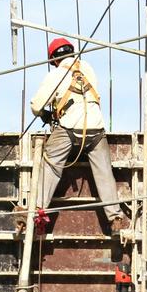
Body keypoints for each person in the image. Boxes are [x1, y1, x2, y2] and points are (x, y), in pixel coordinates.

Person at [27, 37, 130, 233]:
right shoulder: (88, 68)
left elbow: (35, 105)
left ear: (54, 60)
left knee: (51, 164)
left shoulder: (56, 74)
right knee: (104, 172)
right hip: (96, 130)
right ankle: (115, 217)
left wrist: (45, 114)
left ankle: (36, 211)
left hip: (69, 129)